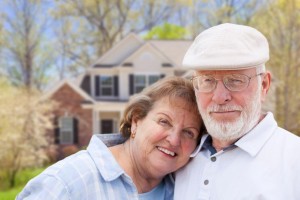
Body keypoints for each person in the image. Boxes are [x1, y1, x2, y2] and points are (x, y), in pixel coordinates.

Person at [17, 76, 204, 200]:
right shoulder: (66, 183)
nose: (174, 139)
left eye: (189, 132)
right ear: (136, 120)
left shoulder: (184, 191)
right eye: (164, 122)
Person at [174, 23, 300, 200]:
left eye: (235, 81)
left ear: (264, 85)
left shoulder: (294, 160)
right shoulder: (178, 155)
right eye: (207, 81)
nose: (219, 97)